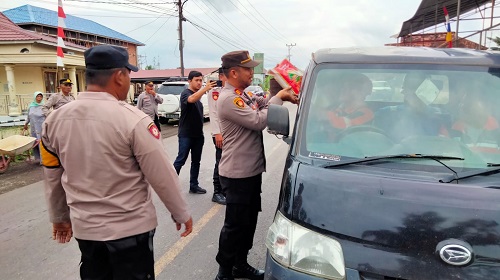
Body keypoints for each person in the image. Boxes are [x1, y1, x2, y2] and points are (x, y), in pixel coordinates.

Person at [40, 45, 193, 280]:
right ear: (119, 76)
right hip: (130, 232)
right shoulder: (133, 120)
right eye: (129, 75)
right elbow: (161, 175)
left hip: (87, 231)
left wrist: (60, 219)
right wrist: (180, 213)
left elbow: (52, 175)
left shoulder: (53, 121)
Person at [214, 50, 298, 280]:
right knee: (234, 225)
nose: (252, 72)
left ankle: (240, 263)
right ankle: (224, 271)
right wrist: (278, 98)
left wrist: (276, 89)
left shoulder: (244, 94)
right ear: (233, 72)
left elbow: (263, 102)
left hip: (250, 172)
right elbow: (259, 120)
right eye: (248, 69)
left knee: (249, 221)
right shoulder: (229, 98)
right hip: (237, 174)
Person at [173, 71, 216, 194]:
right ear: (189, 81)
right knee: (180, 160)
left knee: (196, 161)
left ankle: (194, 185)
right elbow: (191, 99)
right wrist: (204, 89)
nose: (199, 82)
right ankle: (170, 185)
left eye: (200, 80)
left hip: (198, 135)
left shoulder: (199, 98)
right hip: (186, 135)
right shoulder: (186, 93)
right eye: (196, 80)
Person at [374, 72, 448, 142]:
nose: (416, 93)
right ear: (404, 91)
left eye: (420, 88)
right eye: (412, 88)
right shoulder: (385, 115)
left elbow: (447, 147)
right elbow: (376, 144)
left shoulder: (439, 118)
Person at [207, 68, 227, 205]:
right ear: (221, 76)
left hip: (229, 133)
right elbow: (213, 114)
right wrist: (217, 133)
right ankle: (217, 192)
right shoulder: (216, 91)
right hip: (219, 134)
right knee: (220, 161)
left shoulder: (232, 91)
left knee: (227, 162)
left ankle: (225, 190)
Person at [23, 91, 45, 163]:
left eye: (40, 96)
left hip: (41, 128)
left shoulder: (44, 106)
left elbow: (48, 116)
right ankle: (38, 158)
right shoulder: (31, 106)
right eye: (37, 96)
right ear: (35, 97)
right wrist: (26, 124)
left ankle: (44, 160)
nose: (39, 98)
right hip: (33, 128)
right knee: (35, 143)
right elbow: (28, 117)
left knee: (42, 143)